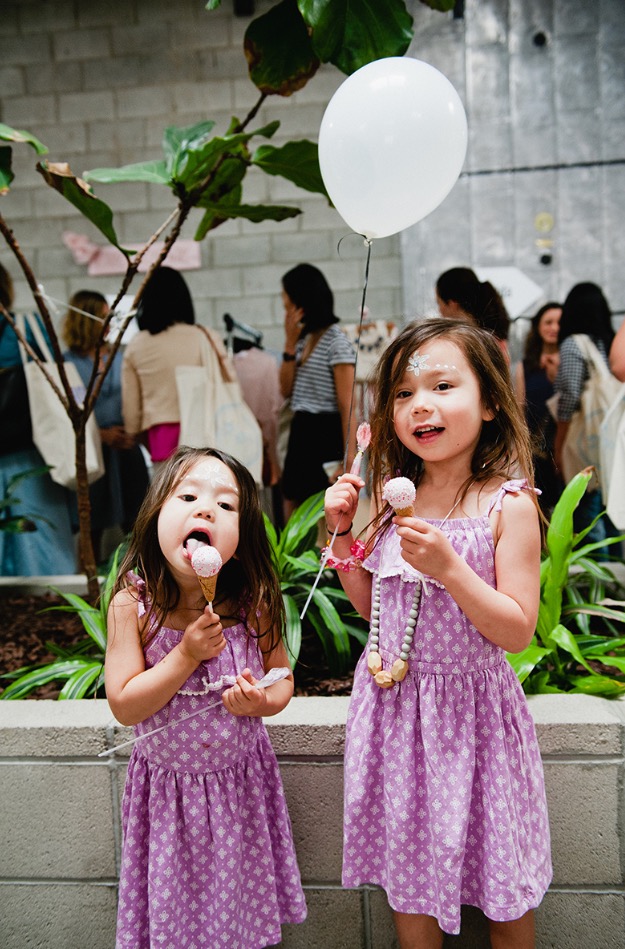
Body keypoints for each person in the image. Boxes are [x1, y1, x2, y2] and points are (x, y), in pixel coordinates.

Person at [324, 317, 551, 947]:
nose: (420, 403)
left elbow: (516, 630)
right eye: (402, 393)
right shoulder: (395, 501)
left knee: (502, 888)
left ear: (488, 405)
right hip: (400, 720)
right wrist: (343, 531)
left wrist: (452, 569)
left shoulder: (509, 505)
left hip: (474, 725)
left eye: (443, 385)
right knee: (411, 881)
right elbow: (377, 607)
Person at [105, 446, 307, 948]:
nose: (204, 509)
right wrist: (186, 655)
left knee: (236, 913)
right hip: (168, 797)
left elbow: (281, 676)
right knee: (176, 922)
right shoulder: (132, 604)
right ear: (155, 515)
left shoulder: (254, 602)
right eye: (188, 496)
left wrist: (262, 702)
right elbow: (125, 704)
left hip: (239, 789)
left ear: (239, 540)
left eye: (225, 504)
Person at [0, 262, 76, 576]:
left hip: (23, 456)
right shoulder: (27, 328)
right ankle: (54, 614)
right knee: (43, 550)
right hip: (33, 455)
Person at [62, 290, 149, 562]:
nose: (109, 322)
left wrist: (132, 432)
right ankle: (87, 582)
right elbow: (66, 413)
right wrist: (100, 435)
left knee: (139, 520)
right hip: (90, 450)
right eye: (103, 317)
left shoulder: (120, 358)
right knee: (92, 523)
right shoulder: (67, 363)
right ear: (86, 319)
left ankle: (143, 578)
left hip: (126, 445)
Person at [122, 266, 225, 471]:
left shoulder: (137, 345)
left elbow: (131, 414)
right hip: (209, 437)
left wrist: (138, 434)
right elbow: (230, 386)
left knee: (169, 499)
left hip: (161, 440)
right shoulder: (206, 337)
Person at [279, 263, 357, 519]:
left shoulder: (336, 341)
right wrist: (289, 343)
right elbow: (285, 389)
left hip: (325, 430)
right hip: (301, 428)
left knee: (325, 506)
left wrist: (351, 456)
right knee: (292, 496)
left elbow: (348, 404)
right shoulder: (302, 339)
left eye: (286, 302)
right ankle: (292, 557)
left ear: (301, 303)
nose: (284, 310)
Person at [553, 282, 617, 542]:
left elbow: (570, 395)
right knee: (611, 511)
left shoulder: (573, 344)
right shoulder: (611, 344)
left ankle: (599, 578)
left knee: (588, 509)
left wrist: (559, 441)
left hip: (585, 438)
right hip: (612, 438)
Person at [514, 302, 563, 513]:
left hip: (565, 447)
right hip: (536, 451)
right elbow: (519, 411)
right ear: (538, 327)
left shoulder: (571, 363)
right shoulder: (524, 366)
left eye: (560, 322)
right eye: (548, 322)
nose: (554, 328)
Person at [436, 266, 511, 360]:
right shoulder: (493, 337)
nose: (439, 311)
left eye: (439, 303)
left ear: (452, 303)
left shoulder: (462, 343)